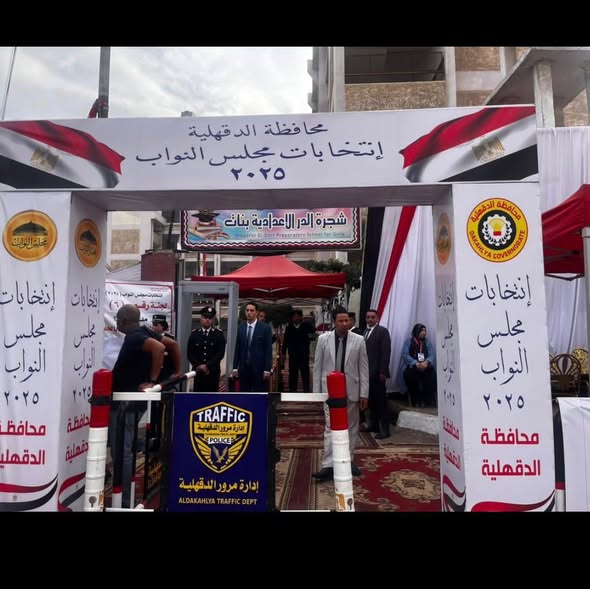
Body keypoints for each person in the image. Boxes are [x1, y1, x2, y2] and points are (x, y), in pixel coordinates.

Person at [110, 304, 181, 508]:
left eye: (117, 320)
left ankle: (124, 500)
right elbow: (173, 345)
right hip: (130, 401)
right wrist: (176, 372)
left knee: (122, 450)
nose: (116, 323)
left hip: (127, 402)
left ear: (124, 321)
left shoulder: (135, 337)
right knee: (125, 445)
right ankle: (126, 491)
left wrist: (152, 380)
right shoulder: (145, 332)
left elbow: (160, 348)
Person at [312, 306, 369, 481]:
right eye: (341, 321)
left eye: (347, 320)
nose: (345, 324)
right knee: (330, 428)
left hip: (351, 390)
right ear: (334, 322)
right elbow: (317, 367)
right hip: (330, 391)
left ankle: (348, 461)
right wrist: (316, 394)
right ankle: (328, 465)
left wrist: (364, 394)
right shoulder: (323, 340)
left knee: (351, 427)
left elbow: (363, 368)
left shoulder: (359, 340)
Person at [361, 309, 392, 439]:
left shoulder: (382, 332)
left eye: (372, 317)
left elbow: (386, 352)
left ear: (377, 318)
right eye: (368, 317)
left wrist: (383, 371)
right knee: (371, 401)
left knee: (381, 402)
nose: (370, 319)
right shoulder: (365, 332)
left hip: (378, 373)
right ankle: (373, 425)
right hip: (367, 373)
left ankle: (385, 430)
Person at [232, 301, 273, 392]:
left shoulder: (265, 328)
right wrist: (235, 367)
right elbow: (237, 349)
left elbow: (268, 350)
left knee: (259, 394)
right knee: (244, 394)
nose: (249, 312)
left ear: (256, 312)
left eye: (251, 310)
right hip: (244, 369)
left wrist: (267, 369)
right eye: (247, 310)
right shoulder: (241, 328)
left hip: (259, 369)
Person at [187, 306, 226, 392]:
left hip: (213, 371)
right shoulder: (194, 334)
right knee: (198, 395)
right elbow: (190, 354)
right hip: (198, 371)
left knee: (212, 396)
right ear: (201, 319)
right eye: (205, 317)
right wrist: (199, 366)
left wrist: (207, 366)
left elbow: (220, 354)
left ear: (213, 320)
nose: (207, 320)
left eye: (210, 318)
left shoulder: (218, 334)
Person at [401, 323, 436, 408]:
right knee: (410, 376)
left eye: (425, 331)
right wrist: (416, 363)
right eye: (422, 331)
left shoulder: (427, 342)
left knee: (431, 375)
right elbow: (405, 354)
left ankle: (428, 400)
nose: (424, 333)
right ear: (416, 331)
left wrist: (426, 362)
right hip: (413, 366)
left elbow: (432, 354)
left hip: (425, 366)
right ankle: (416, 400)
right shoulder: (408, 341)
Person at [281, 309, 315, 392]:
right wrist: (283, 352)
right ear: (292, 317)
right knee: (293, 372)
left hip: (304, 354)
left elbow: (313, 331)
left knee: (305, 372)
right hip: (293, 354)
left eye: (298, 316)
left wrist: (307, 323)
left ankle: (306, 390)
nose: (296, 318)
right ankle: (292, 390)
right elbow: (285, 341)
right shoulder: (289, 327)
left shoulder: (305, 325)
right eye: (294, 316)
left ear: (301, 317)